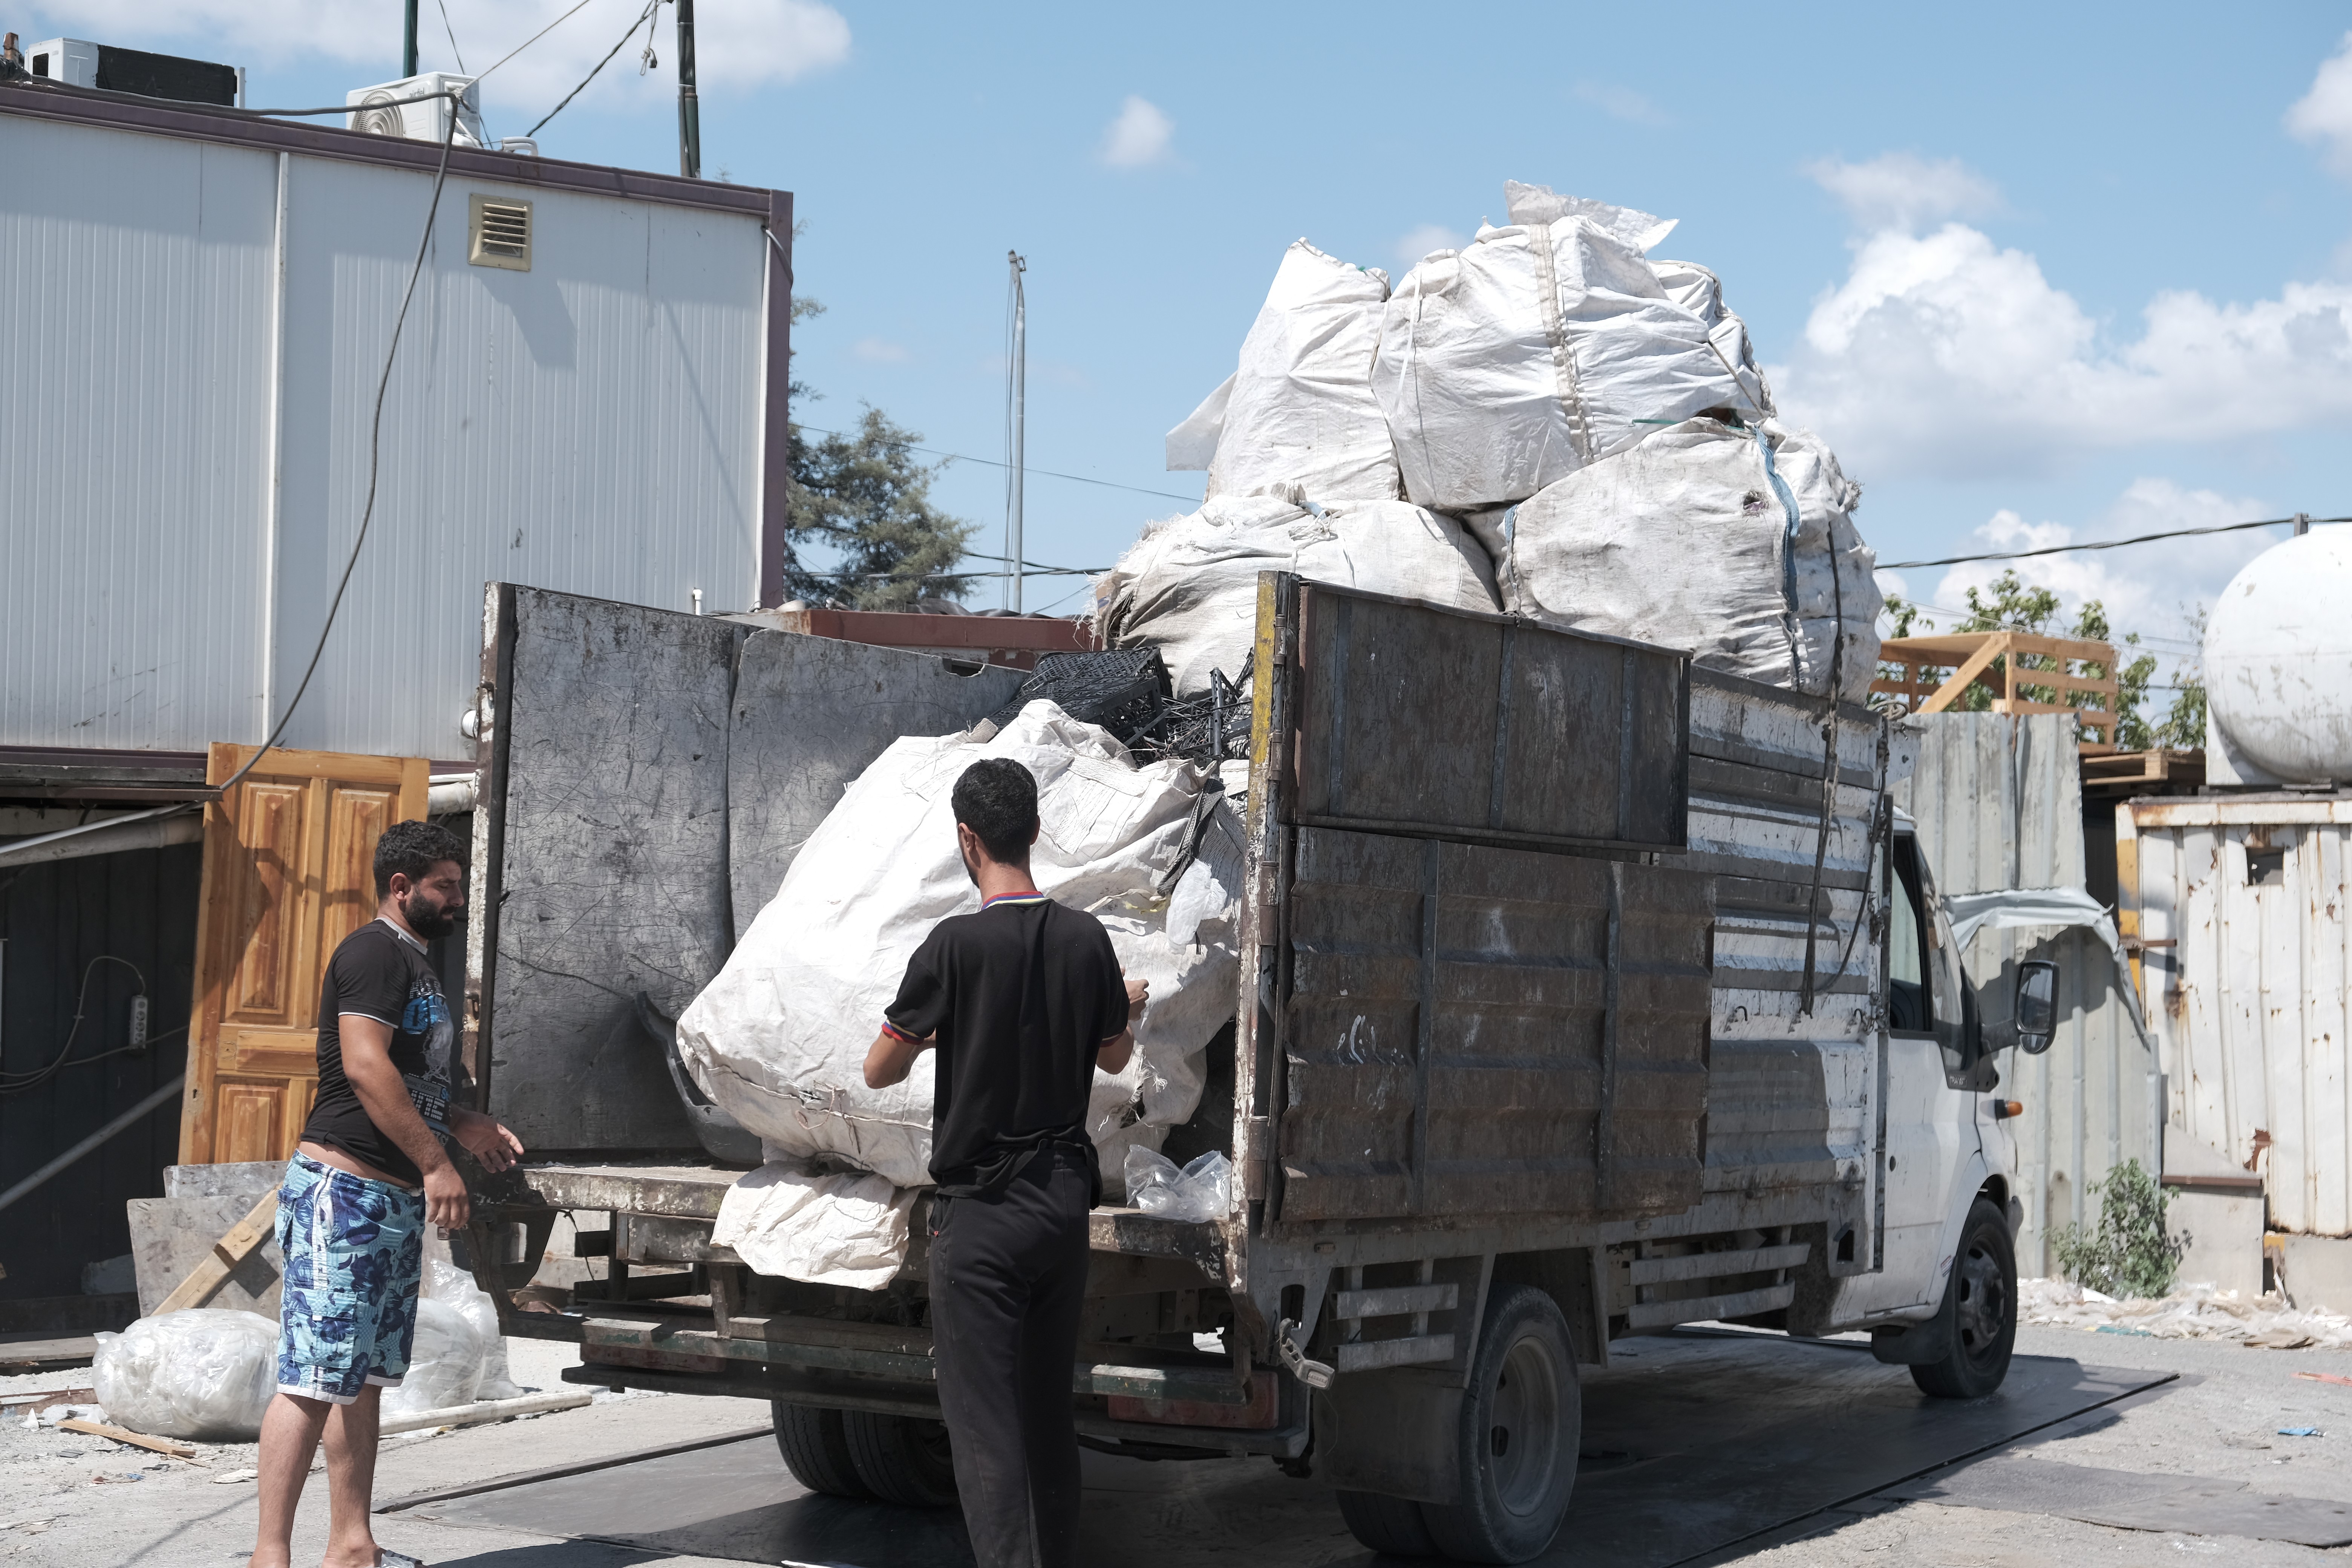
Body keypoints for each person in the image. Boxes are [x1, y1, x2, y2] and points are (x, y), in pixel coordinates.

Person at [863, 758, 1146, 1568]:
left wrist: (940, 1035)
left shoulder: (952, 947)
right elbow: (1117, 1060)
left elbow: (880, 1067)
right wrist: (1119, 1005)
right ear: (1034, 830)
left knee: (987, 1431)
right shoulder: (1086, 940)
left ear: (968, 838)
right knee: (1044, 1415)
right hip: (1061, 1205)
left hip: (982, 1215)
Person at [249, 819, 524, 1568]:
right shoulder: (373, 953)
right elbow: (367, 1069)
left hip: (388, 1204)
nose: (458, 899)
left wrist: (460, 1123)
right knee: (312, 1378)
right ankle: (269, 1556)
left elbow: (406, 1080)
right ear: (400, 887)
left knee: (362, 1380)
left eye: (461, 885)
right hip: (346, 1193)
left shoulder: (418, 963)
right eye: (446, 885)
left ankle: (351, 1544)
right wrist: (437, 1164)